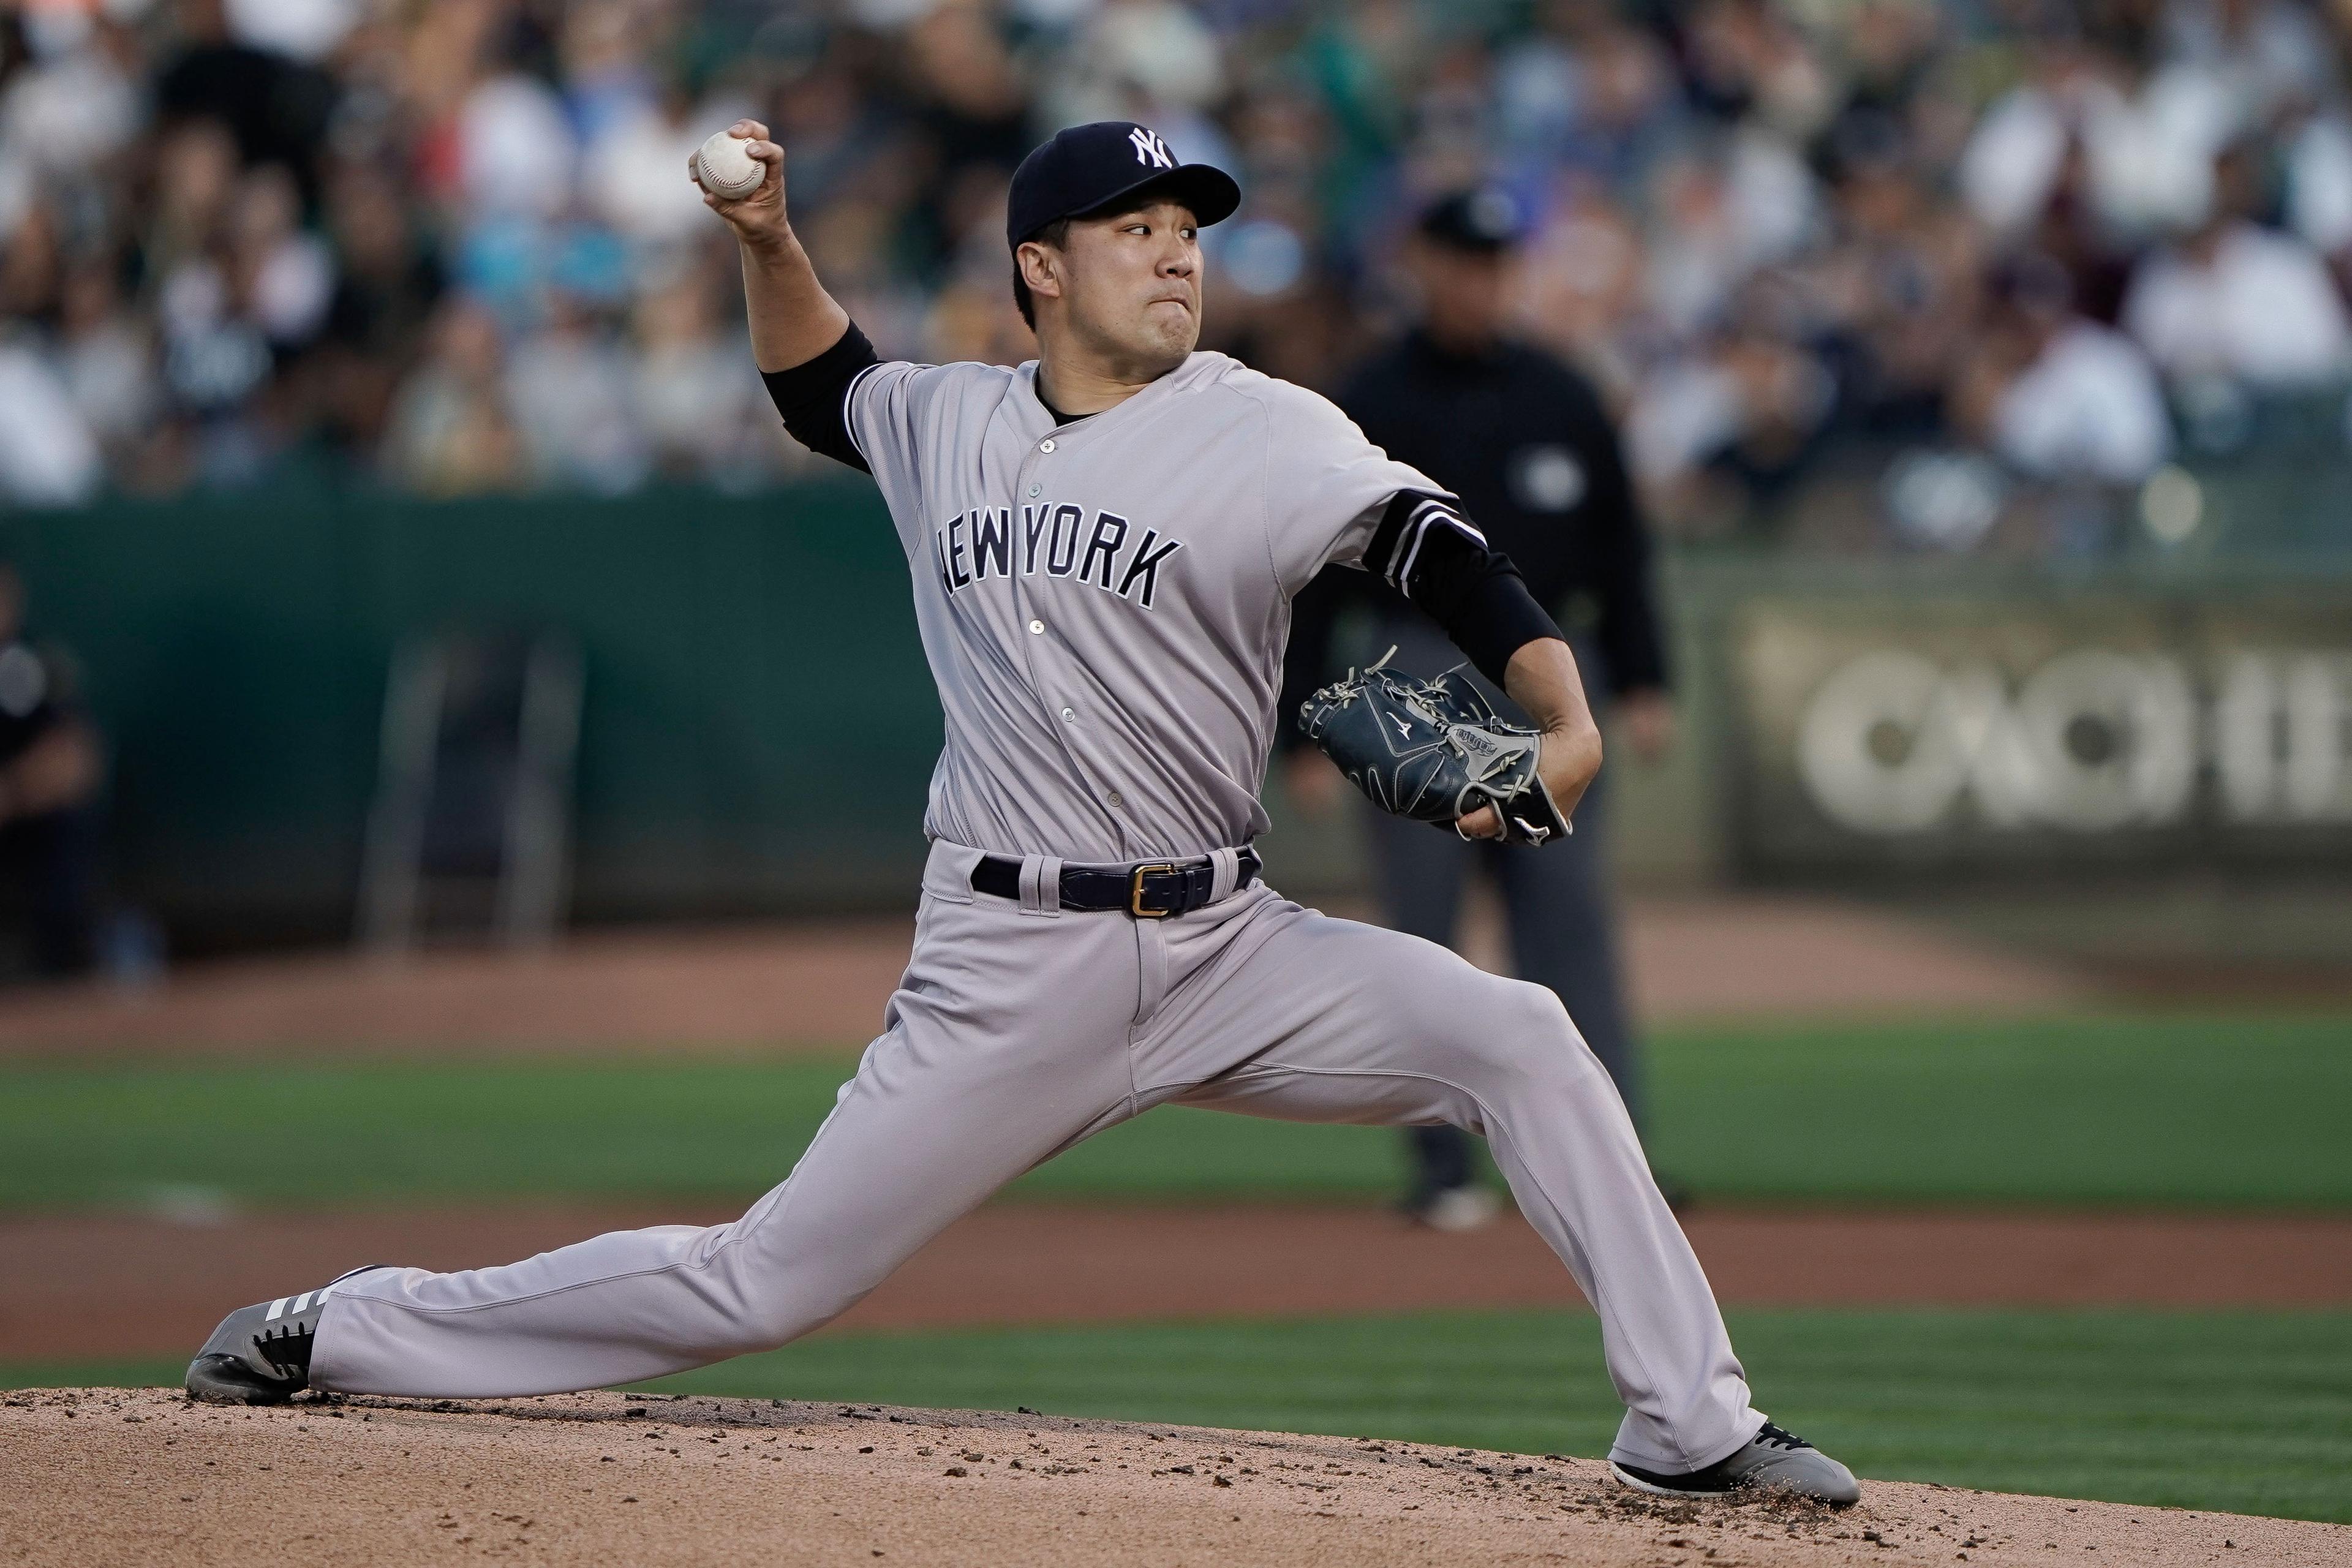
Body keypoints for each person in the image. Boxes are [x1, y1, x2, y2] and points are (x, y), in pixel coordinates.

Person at [182, 119, 1858, 1507]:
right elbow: (814, 388)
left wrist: (1558, 709)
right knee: (769, 1280)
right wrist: (768, 235)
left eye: (1186, 226)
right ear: (1040, 269)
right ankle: (347, 1331)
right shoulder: (945, 422)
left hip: (1229, 939)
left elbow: (1438, 552)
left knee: (1522, 1037)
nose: (1177, 251)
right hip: (1004, 964)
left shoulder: (1266, 427)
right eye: (1132, 226)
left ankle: (1688, 1421)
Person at [1281, 187, 1677, 1229]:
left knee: (1570, 924)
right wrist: (1300, 729)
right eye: (1463, 260)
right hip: (1411, 674)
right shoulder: (1372, 393)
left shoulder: (1563, 393)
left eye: (1498, 263)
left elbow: (1622, 551)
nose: (1482, 281)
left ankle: (1613, 1167)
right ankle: (1441, 1171)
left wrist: (1643, 680)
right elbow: (1315, 568)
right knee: (1424, 936)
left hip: (1554, 680)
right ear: (1427, 265)